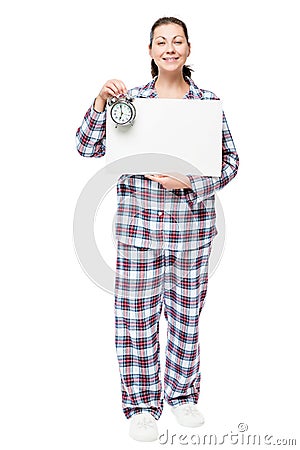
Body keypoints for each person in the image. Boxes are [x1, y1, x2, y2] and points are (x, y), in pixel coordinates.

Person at [76, 16, 239, 442]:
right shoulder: (127, 101)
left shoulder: (207, 103)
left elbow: (230, 163)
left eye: (177, 41)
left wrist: (192, 182)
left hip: (191, 233)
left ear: (188, 50)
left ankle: (182, 396)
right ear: (150, 51)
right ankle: (142, 406)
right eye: (160, 41)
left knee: (186, 318)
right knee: (135, 320)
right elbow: (86, 147)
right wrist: (98, 104)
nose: (169, 48)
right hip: (138, 234)